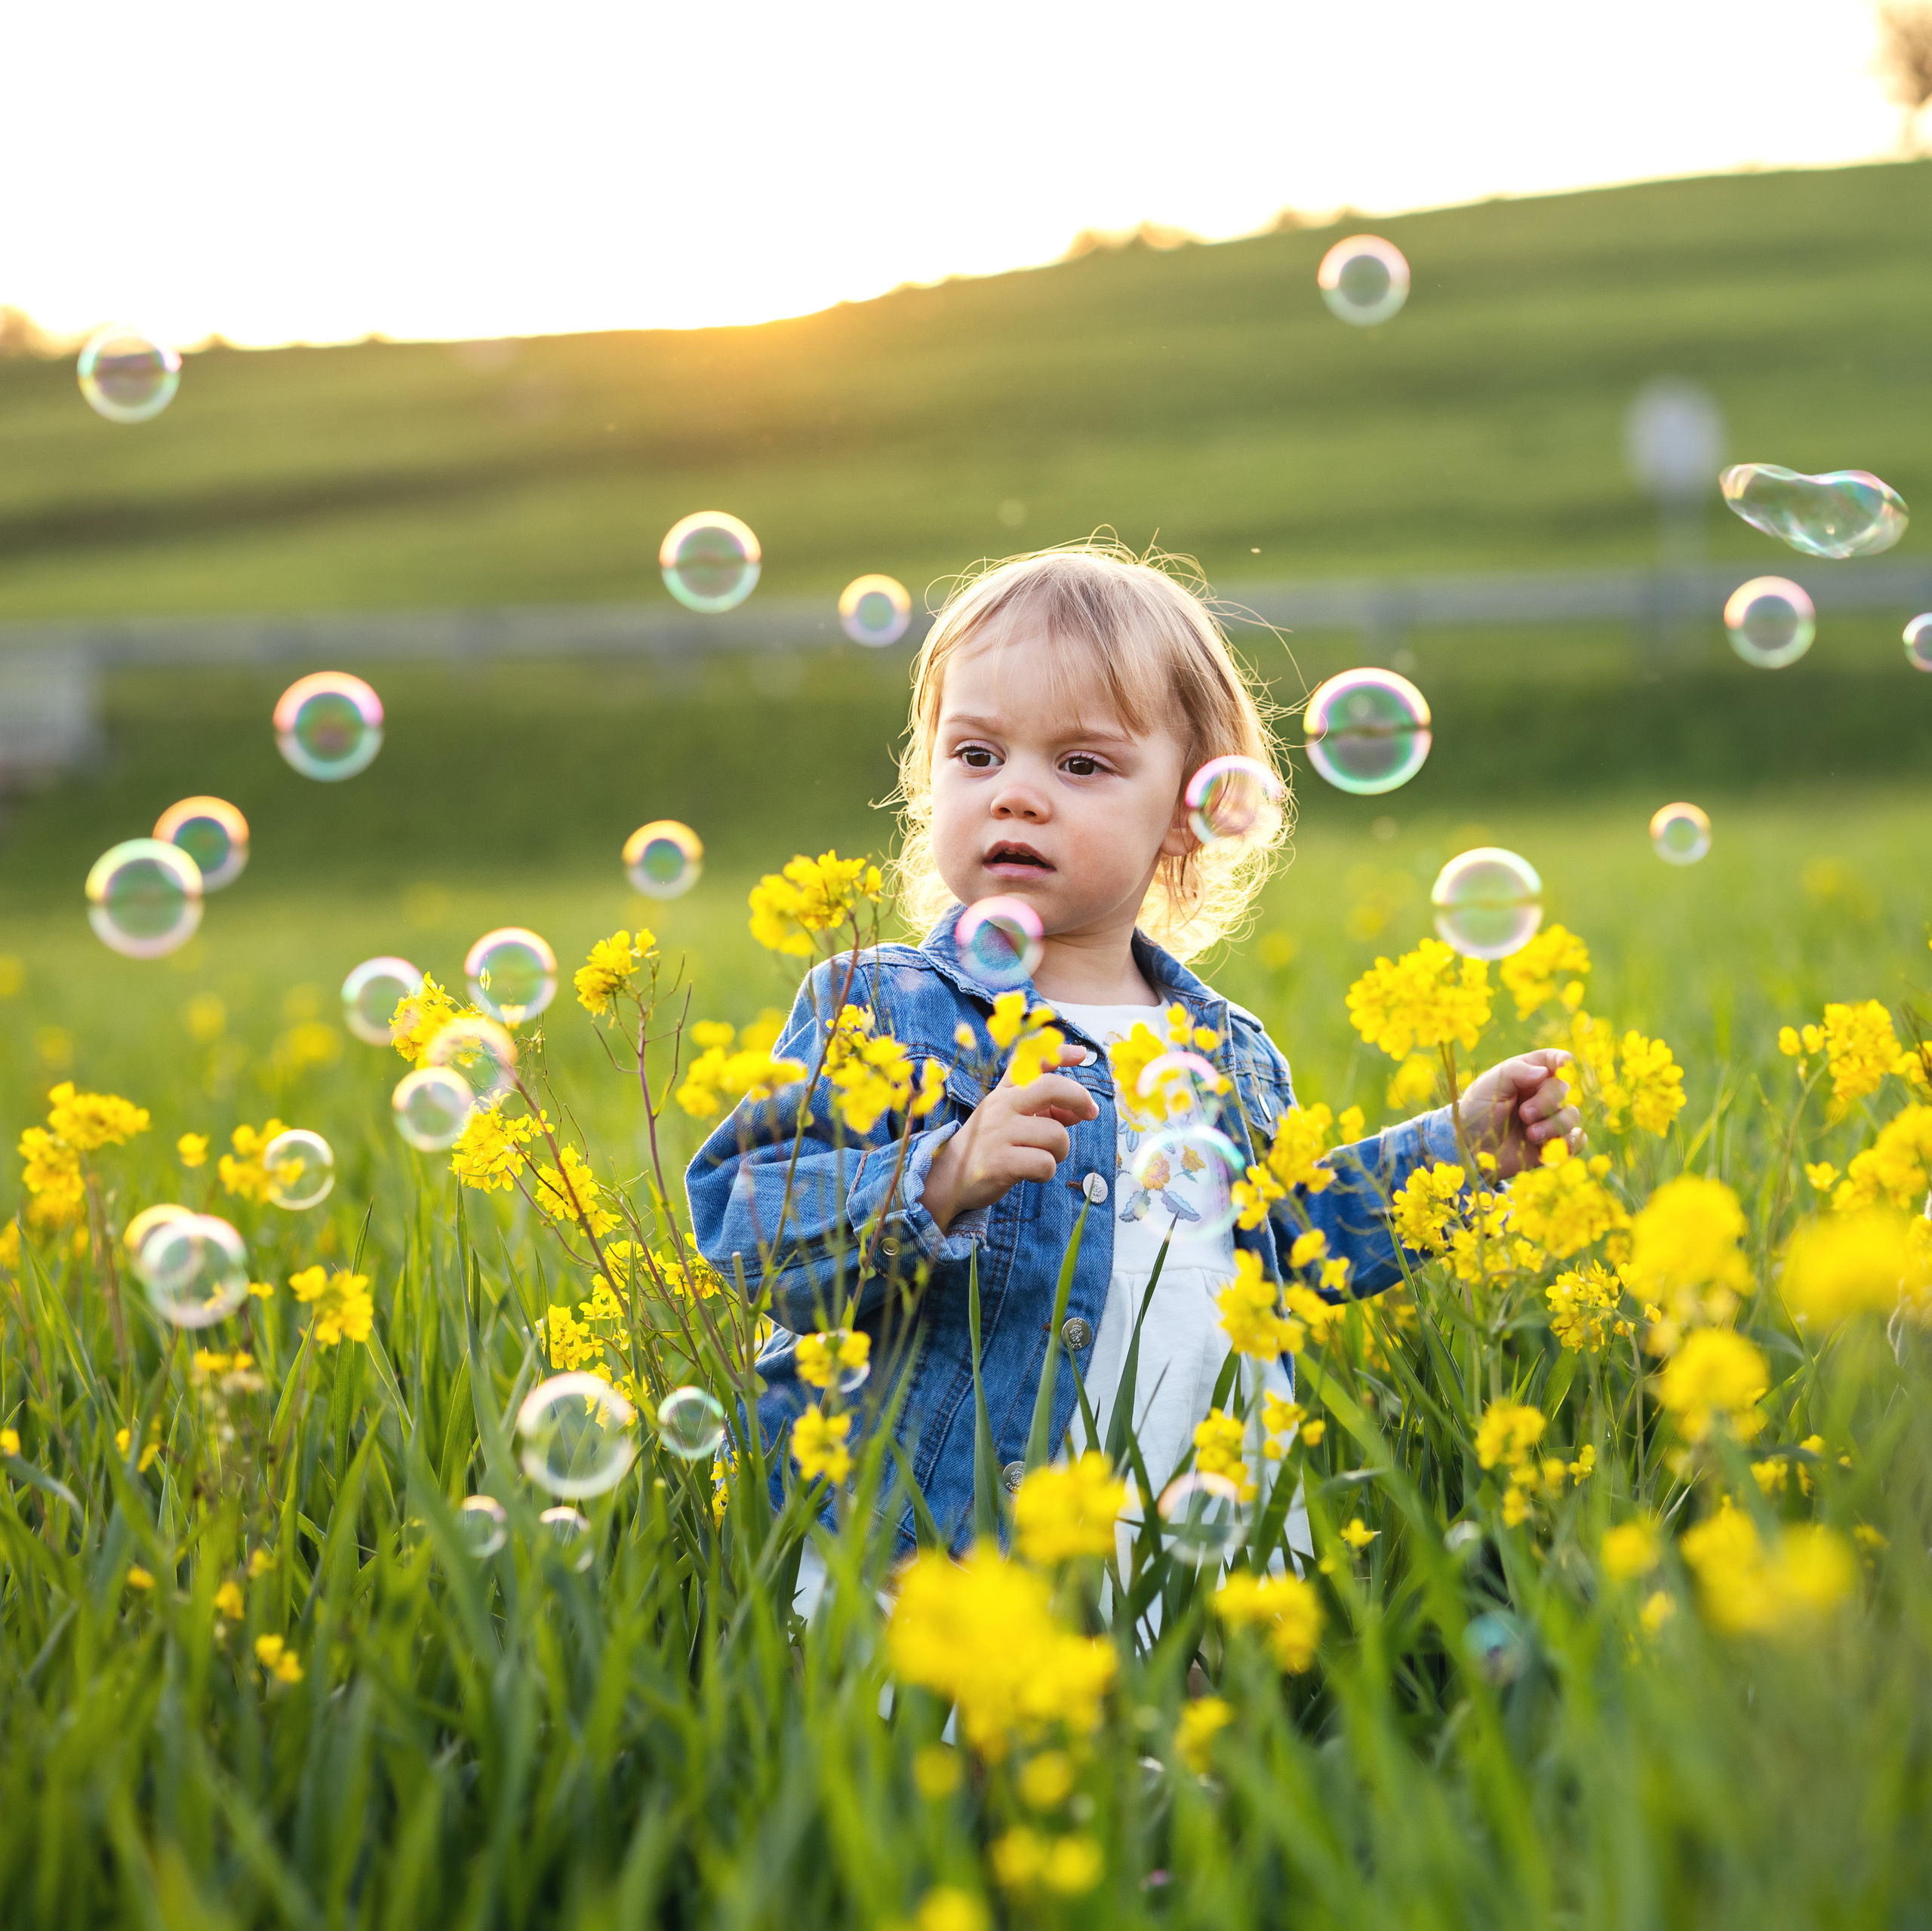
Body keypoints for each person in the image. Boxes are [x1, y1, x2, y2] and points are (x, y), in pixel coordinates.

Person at [685, 543, 1579, 1572]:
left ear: (1191, 815)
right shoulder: (886, 1004)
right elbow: (744, 1215)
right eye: (977, 756)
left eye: (1081, 765)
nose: (1017, 795)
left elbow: (1293, 1244)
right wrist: (940, 1176)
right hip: (940, 1556)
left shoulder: (1224, 1050)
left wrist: (1455, 1152)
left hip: (1187, 1548)